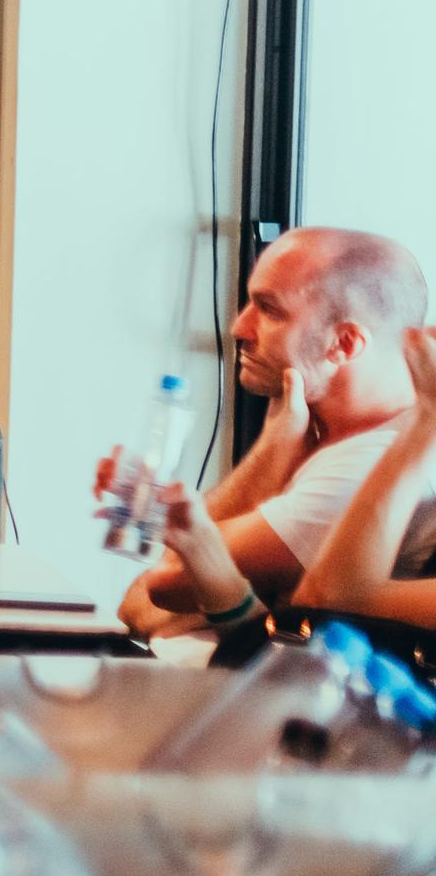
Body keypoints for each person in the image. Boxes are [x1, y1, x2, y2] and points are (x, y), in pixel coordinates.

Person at [116, 227, 425, 637]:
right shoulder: (324, 438)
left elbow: (163, 584)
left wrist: (272, 452)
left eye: (269, 309)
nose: (238, 327)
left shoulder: (368, 463)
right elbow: (138, 605)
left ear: (345, 344)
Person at [158, 321, 436, 636]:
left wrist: (428, 418)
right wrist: (201, 547)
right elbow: (290, 628)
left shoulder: (380, 454)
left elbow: (327, 601)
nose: (240, 327)